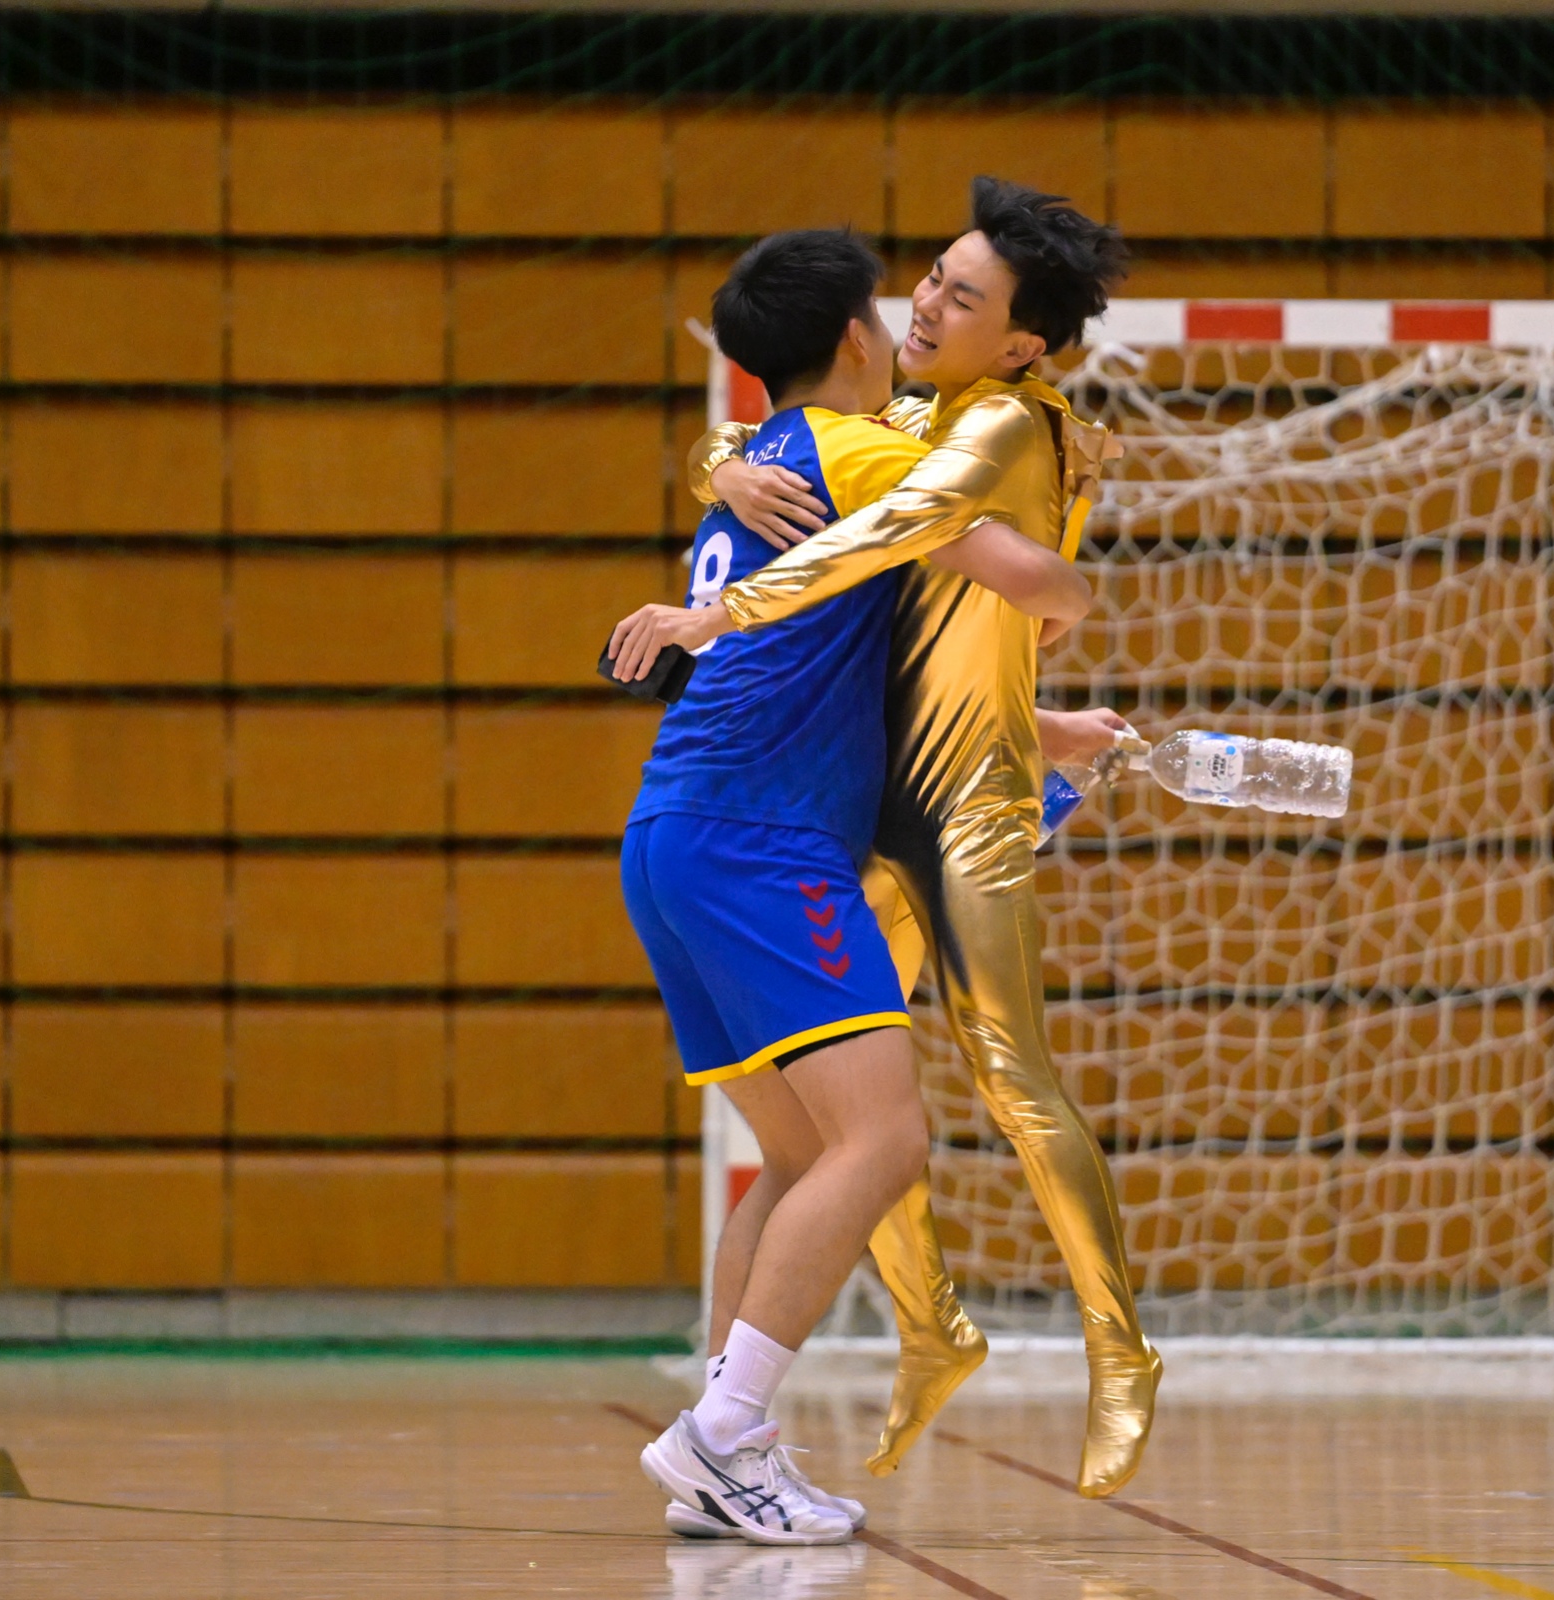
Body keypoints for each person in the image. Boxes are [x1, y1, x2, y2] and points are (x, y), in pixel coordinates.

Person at [610, 176, 1161, 1499]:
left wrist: (1033, 724)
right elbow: (1033, 582)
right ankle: (725, 1436)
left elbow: (866, 657)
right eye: (912, 287)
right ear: (856, 336)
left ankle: (724, 1440)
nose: (918, 303)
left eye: (955, 291)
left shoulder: (780, 453)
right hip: (760, 842)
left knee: (804, 1156)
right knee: (885, 1143)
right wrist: (1064, 592)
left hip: (675, 831)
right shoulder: (870, 449)